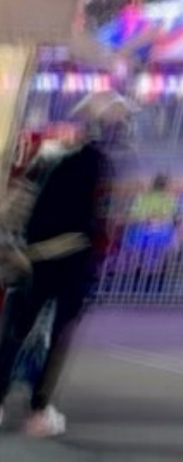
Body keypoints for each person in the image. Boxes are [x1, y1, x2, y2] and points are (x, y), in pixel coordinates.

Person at [0, 94, 125, 439]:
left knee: (15, 330)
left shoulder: (47, 157)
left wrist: (15, 249)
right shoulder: (96, 165)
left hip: (31, 259)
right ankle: (37, 409)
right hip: (66, 264)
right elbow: (90, 226)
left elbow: (17, 203)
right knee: (52, 339)